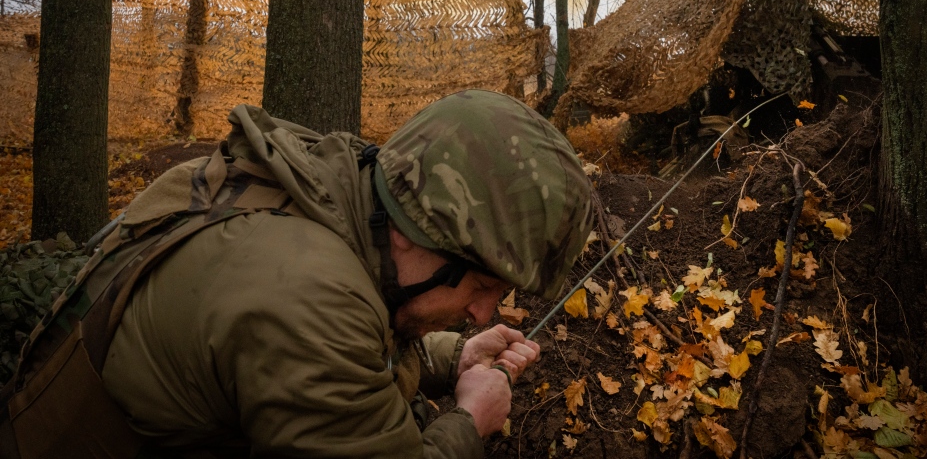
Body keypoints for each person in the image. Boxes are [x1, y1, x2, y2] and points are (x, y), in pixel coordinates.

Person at [0, 90, 594, 458]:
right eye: (484, 287)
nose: (485, 313)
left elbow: (351, 335)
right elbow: (320, 335)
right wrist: (469, 423)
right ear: (428, 239)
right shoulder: (305, 298)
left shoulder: (323, 186)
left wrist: (450, 359)